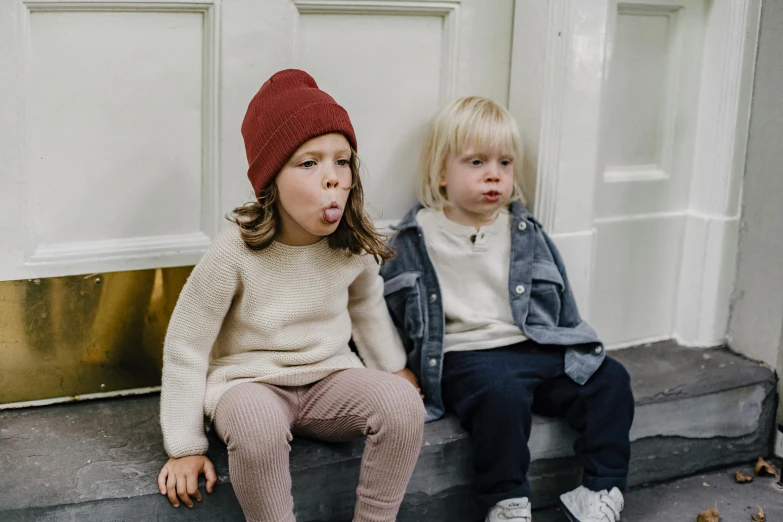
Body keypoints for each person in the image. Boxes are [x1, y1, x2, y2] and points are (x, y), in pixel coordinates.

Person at [157, 69, 426, 522]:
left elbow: (365, 303)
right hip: (248, 385)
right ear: (271, 181)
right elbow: (187, 343)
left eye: (342, 161)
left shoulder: (351, 244)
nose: (333, 178)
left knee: (403, 405)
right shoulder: (235, 251)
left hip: (330, 379)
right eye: (309, 163)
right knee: (258, 427)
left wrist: (393, 369)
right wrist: (184, 446)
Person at [381, 96, 634, 522]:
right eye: (476, 162)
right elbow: (384, 307)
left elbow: (560, 300)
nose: (493, 175)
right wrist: (393, 370)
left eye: (504, 163)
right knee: (501, 395)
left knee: (609, 379)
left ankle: (600, 488)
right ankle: (508, 500)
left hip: (535, 345)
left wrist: (577, 350)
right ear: (441, 173)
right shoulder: (417, 237)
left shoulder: (522, 229)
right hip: (468, 358)